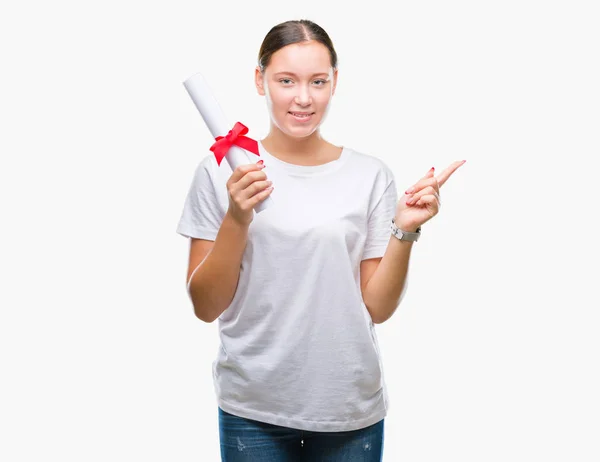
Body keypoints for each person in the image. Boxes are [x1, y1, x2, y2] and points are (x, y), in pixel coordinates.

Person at [176, 18, 465, 462]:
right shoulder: (221, 172)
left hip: (347, 407)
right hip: (252, 407)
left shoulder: (370, 175)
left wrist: (405, 229)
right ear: (260, 80)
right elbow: (205, 305)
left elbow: (378, 309)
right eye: (286, 81)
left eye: (318, 81)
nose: (303, 98)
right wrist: (238, 215)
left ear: (335, 83)